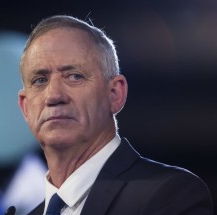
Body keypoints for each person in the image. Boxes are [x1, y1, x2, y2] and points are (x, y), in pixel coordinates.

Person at [16, 15, 213, 215]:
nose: (54, 95)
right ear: (25, 107)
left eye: (74, 76)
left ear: (115, 94)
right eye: (40, 80)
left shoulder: (170, 196)